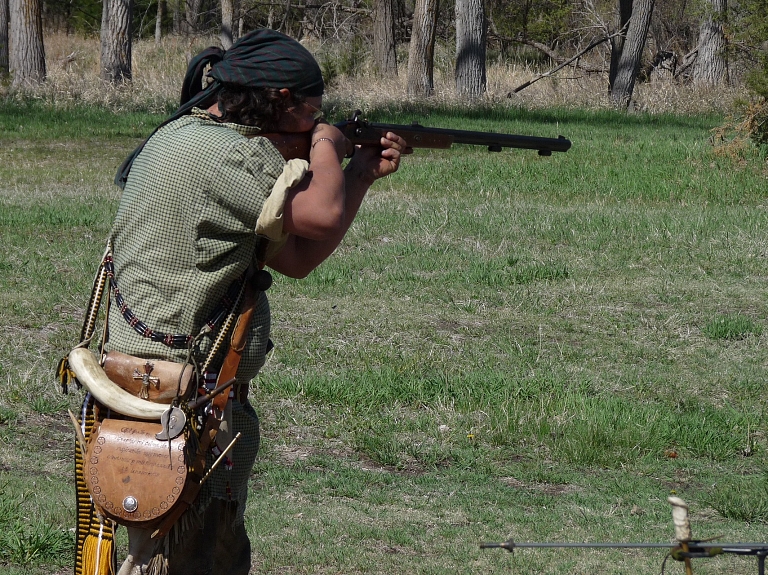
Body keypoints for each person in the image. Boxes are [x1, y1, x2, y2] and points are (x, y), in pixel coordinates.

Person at [95, 28, 407, 575]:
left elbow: (297, 258)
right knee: (198, 557)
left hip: (150, 386)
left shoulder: (181, 136)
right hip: (186, 399)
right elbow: (322, 216)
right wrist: (329, 143)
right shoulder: (231, 157)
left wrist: (357, 175)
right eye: (314, 108)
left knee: (174, 549)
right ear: (282, 102)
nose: (316, 118)